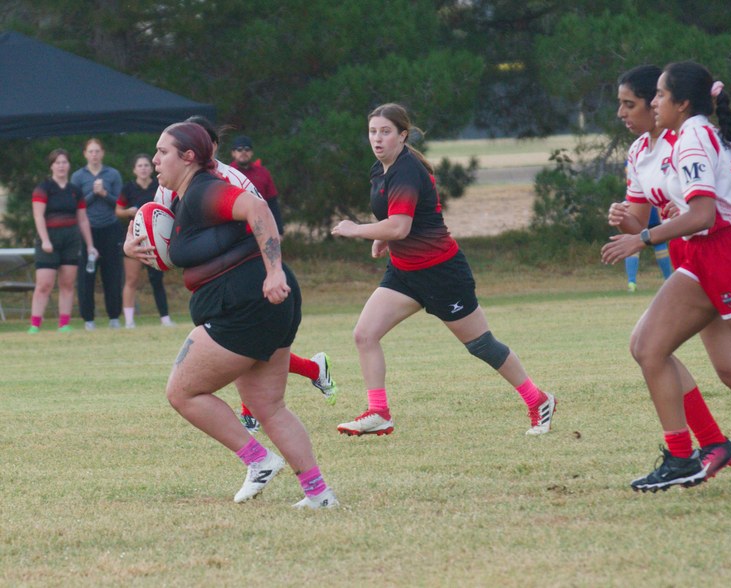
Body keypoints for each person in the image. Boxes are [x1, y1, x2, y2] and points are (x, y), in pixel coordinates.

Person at [602, 61, 731, 492]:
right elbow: (661, 221)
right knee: (648, 346)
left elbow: (711, 209)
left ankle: (704, 447)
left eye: (651, 97)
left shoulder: (694, 136)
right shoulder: (646, 150)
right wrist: (632, 227)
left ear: (680, 102)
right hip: (698, 256)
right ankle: (681, 455)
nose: (646, 106)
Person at [124, 121, 337, 508]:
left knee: (182, 392)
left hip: (244, 304)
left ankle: (259, 461)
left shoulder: (204, 190)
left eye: (163, 152)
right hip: (264, 302)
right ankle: (319, 494)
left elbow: (257, 208)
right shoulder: (184, 195)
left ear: (188, 157)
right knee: (268, 406)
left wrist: (273, 271)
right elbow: (161, 237)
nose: (154, 160)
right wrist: (133, 246)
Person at [331, 103, 555, 437]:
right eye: (372, 132)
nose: (377, 139)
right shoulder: (381, 169)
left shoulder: (407, 169)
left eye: (385, 132)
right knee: (365, 334)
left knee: (481, 345)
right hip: (405, 273)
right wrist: (383, 238)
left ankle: (538, 400)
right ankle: (379, 412)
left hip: (441, 273)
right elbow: (395, 220)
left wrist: (358, 229)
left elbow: (400, 227)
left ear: (402, 135)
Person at [154, 115, 337, 432]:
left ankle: (252, 412)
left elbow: (259, 217)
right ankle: (310, 372)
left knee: (238, 348)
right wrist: (139, 246)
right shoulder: (170, 185)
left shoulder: (229, 181)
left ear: (206, 146)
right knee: (243, 352)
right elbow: (170, 238)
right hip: (218, 286)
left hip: (247, 283)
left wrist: (272, 271)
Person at [28, 148, 98, 333]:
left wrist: (90, 245)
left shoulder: (75, 191)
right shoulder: (43, 188)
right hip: (49, 240)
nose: (61, 166)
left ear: (69, 165)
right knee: (44, 284)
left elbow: (82, 219)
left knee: (67, 284)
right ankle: (35, 324)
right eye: (57, 162)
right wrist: (45, 240)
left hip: (71, 240)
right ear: (51, 166)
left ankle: (64, 324)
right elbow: (38, 216)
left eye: (64, 162)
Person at [115, 154, 176, 328]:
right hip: (135, 238)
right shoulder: (128, 188)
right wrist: (129, 212)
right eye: (139, 165)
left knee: (157, 279)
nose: (143, 168)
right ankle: (128, 320)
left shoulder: (159, 186)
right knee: (131, 279)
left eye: (146, 165)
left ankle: (165, 318)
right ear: (134, 169)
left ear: (151, 168)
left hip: (155, 240)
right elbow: (118, 211)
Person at [70, 138, 124, 330]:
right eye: (90, 151)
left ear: (102, 153)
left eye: (97, 151)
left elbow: (119, 203)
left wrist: (104, 194)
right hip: (87, 231)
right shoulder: (78, 177)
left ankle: (114, 317)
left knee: (112, 274)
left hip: (110, 228)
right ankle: (88, 319)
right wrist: (94, 194)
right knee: (86, 276)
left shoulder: (113, 174)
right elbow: (76, 205)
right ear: (85, 154)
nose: (94, 155)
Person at [229, 135, 285, 236]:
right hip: (233, 229)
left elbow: (272, 203)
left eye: (247, 149)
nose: (243, 152)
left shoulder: (263, 173)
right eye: (239, 149)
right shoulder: (226, 173)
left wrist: (279, 231)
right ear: (233, 153)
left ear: (252, 152)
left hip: (261, 228)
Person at [624, 206, 671, 292]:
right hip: (649, 215)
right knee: (659, 244)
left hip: (638, 214)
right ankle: (668, 281)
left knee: (634, 246)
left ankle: (631, 283)